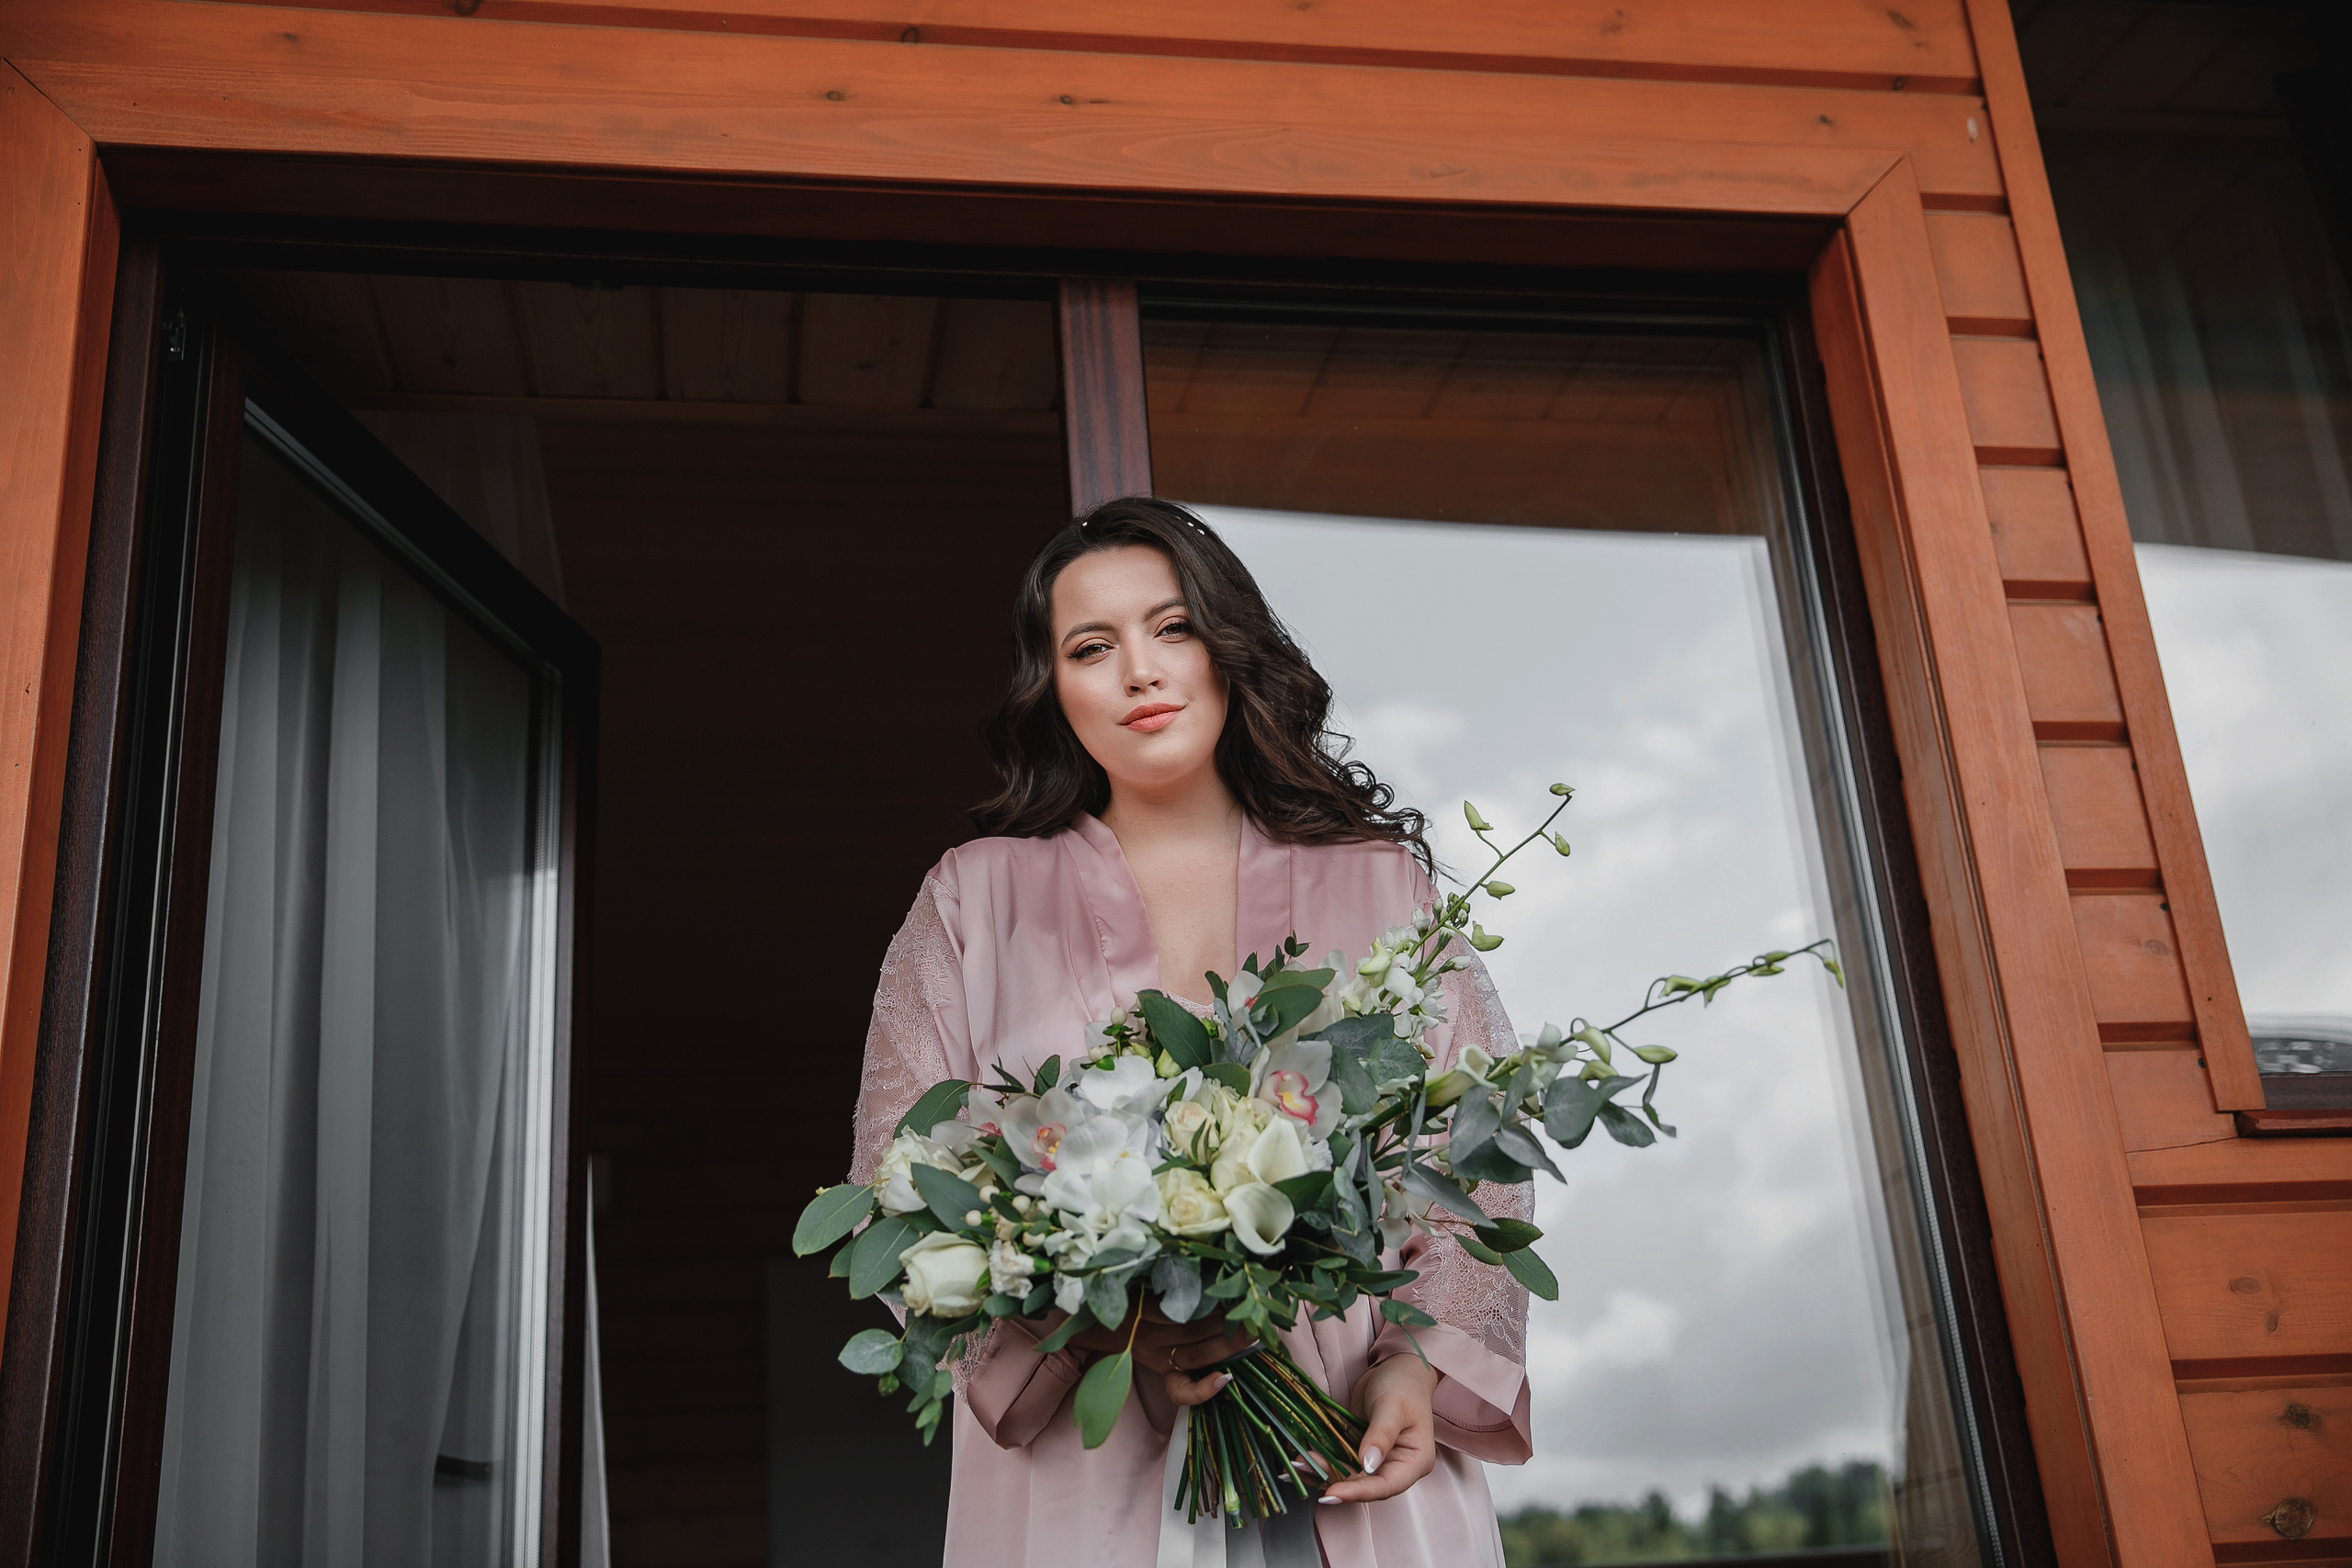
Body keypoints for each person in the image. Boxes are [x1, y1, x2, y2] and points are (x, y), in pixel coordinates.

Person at [851, 498, 1532, 1567]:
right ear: (1054, 689)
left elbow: (1479, 1160)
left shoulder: (1378, 883)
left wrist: (1415, 1366)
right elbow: (897, 1189)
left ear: (1227, 648)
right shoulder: (973, 899)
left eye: (1170, 628)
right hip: (1087, 1454)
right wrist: (1099, 1328)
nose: (1139, 671)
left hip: (1351, 1431)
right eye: (1091, 647)